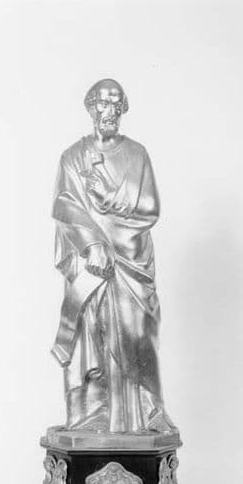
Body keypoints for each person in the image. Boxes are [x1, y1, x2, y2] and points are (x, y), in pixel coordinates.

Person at [51, 78, 175, 434]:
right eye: (103, 103)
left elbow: (150, 207)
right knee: (91, 333)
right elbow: (64, 205)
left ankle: (148, 411)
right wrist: (93, 244)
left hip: (132, 261)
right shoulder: (73, 158)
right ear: (91, 107)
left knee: (138, 332)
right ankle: (93, 414)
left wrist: (108, 197)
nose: (110, 111)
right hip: (93, 265)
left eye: (117, 104)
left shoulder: (137, 155)